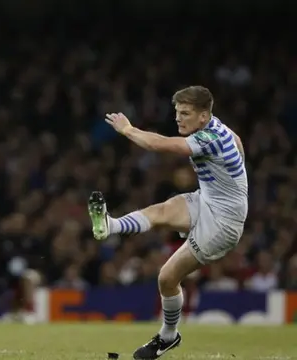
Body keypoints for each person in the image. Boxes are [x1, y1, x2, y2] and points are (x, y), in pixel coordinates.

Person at [88, 86, 247, 359]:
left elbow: (159, 145)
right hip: (209, 201)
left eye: (185, 113)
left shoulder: (209, 138)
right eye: (177, 112)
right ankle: (109, 226)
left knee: (166, 278)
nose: (178, 118)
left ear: (203, 116)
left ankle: (168, 337)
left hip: (223, 223)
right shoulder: (219, 127)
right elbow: (238, 140)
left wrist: (127, 129)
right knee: (162, 211)